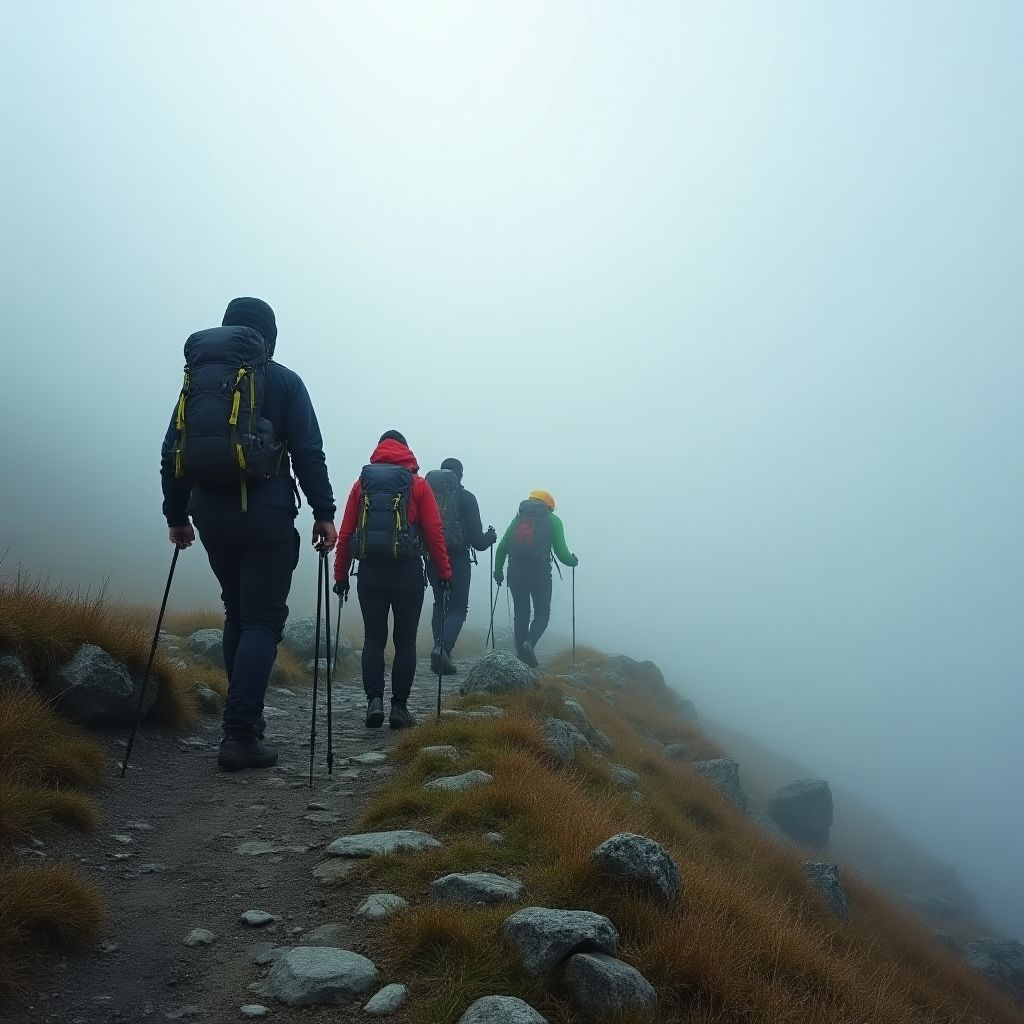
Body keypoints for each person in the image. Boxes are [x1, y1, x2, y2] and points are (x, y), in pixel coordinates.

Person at [160, 297, 337, 772]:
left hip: (209, 515)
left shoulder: (198, 383)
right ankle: (240, 735)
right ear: (269, 336)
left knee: (237, 614)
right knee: (261, 621)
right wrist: (324, 512)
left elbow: (173, 450)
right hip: (266, 516)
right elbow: (308, 452)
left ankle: (247, 725)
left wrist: (176, 516)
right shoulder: (283, 381)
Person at [334, 431, 452, 729]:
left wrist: (340, 575)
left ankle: (374, 700)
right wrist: (445, 573)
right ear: (406, 451)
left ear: (379, 450)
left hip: (370, 572)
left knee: (373, 638)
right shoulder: (418, 485)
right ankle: (399, 707)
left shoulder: (362, 485)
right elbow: (435, 533)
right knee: (405, 641)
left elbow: (346, 533)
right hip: (407, 573)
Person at [424, 458, 497, 675]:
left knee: (440, 603)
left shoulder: (427, 495)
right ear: (460, 475)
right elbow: (478, 542)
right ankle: (442, 648)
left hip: (432, 558)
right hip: (457, 559)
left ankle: (439, 649)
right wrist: (490, 537)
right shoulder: (466, 498)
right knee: (457, 608)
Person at [493, 489, 578, 667]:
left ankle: (521, 657)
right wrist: (572, 561)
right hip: (540, 573)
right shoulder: (553, 521)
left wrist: (498, 571)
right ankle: (529, 643)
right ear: (548, 506)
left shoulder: (518, 519)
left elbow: (502, 548)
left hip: (515, 572)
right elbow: (562, 553)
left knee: (521, 614)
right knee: (542, 613)